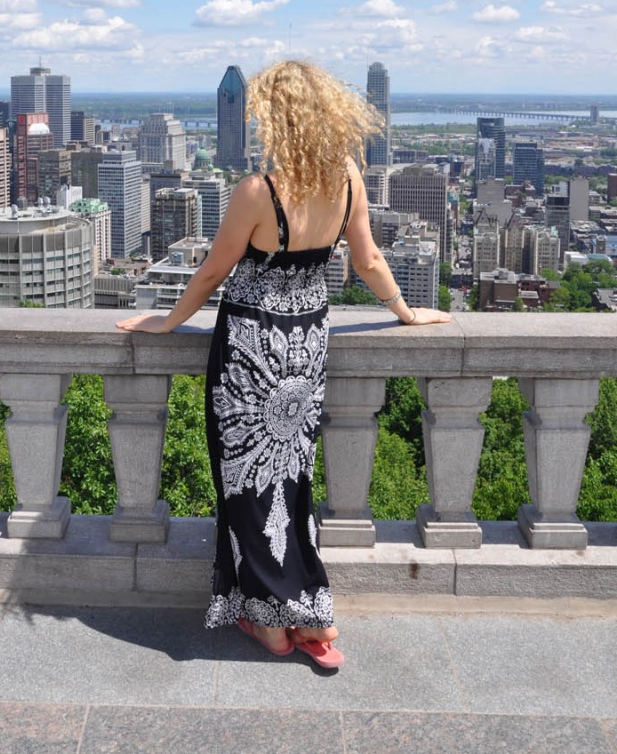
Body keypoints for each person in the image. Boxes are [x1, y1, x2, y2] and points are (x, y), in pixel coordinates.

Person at [117, 60, 450, 668]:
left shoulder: (258, 191)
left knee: (246, 482)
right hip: (307, 344)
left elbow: (216, 270)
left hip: (250, 349)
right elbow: (369, 258)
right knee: (290, 478)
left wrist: (167, 322)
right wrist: (406, 311)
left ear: (275, 118)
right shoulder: (349, 176)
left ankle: (271, 623)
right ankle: (310, 614)